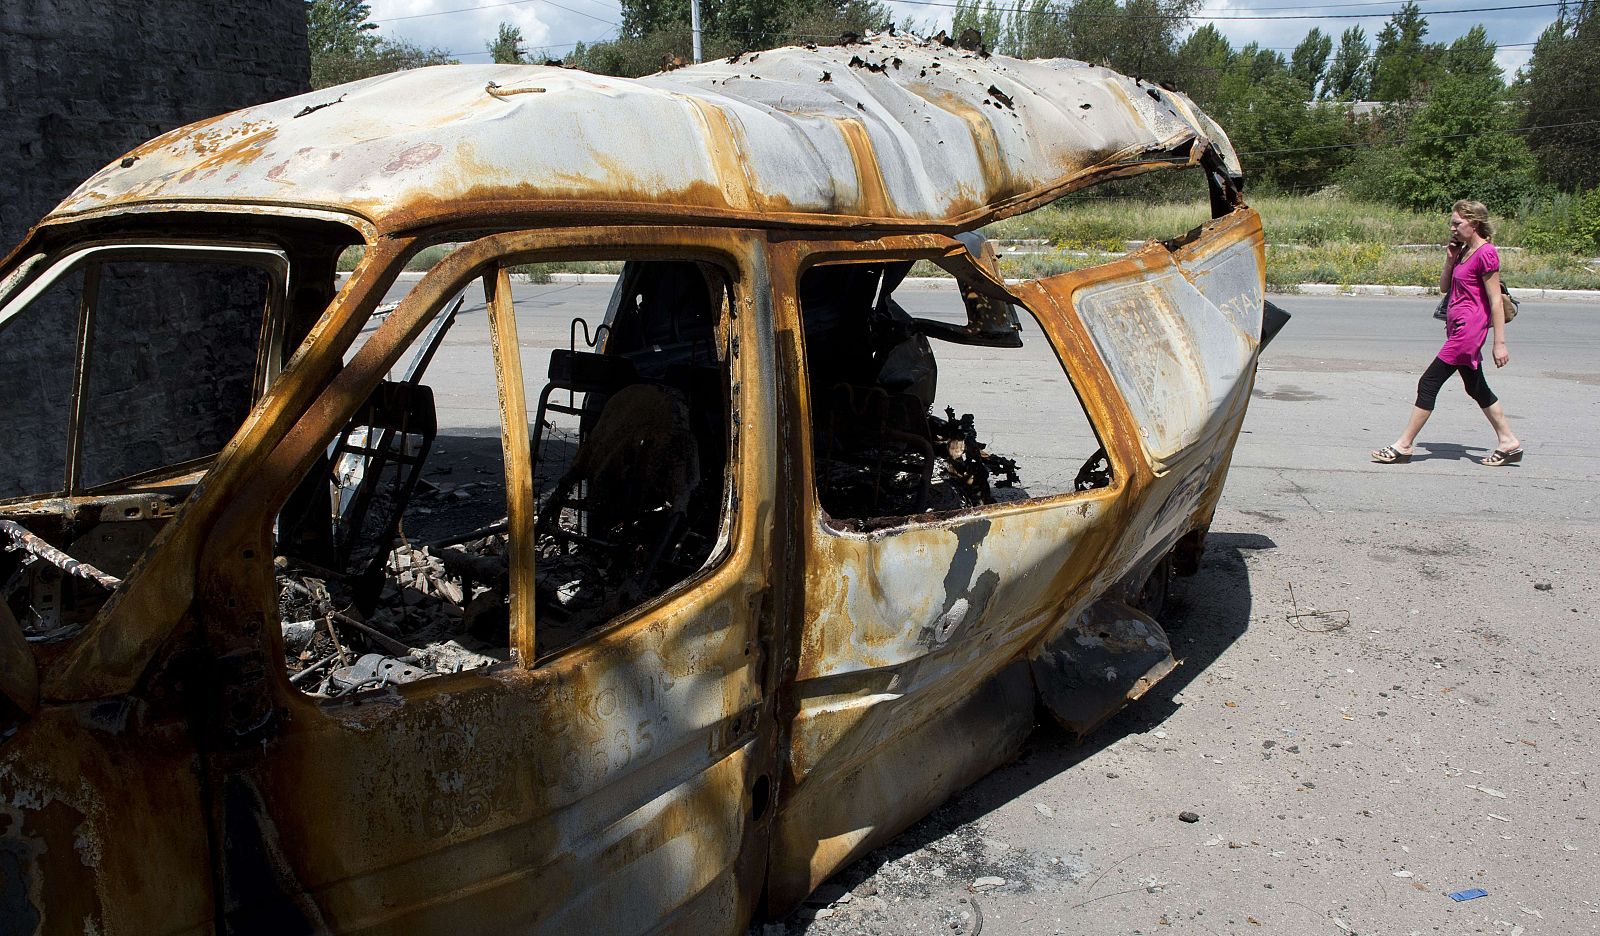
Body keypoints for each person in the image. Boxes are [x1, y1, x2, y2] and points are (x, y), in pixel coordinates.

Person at [1372, 199, 1522, 467]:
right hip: (1456, 330)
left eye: (1457, 223)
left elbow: (1495, 301)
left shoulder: (1486, 253)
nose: (1452, 228)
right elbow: (1444, 287)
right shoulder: (1464, 251)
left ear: (1473, 223)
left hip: (1468, 333)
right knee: (1475, 387)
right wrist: (1450, 259)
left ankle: (1404, 445)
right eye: (1452, 223)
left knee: (1428, 383)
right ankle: (1508, 441)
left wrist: (1499, 343)